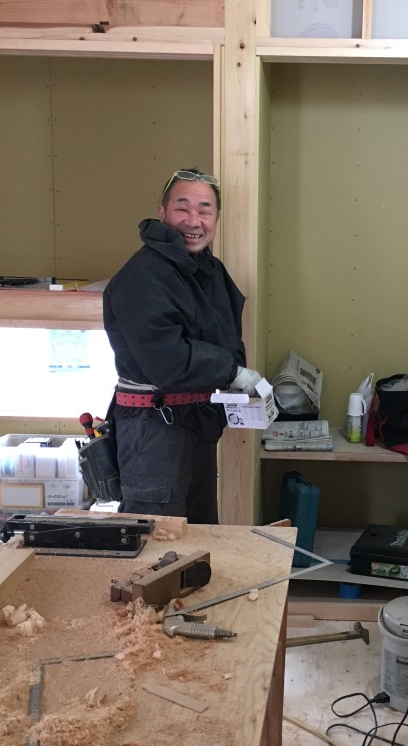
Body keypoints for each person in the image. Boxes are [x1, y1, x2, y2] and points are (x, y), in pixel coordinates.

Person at [102, 168, 262, 523]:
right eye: (182, 208)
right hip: (152, 427)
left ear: (216, 218)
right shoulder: (143, 275)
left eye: (205, 210)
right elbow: (166, 359)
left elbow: (226, 334)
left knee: (200, 530)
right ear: (162, 212)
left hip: (196, 419)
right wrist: (231, 372)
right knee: (157, 538)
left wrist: (239, 384)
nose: (193, 221)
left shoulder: (209, 270)